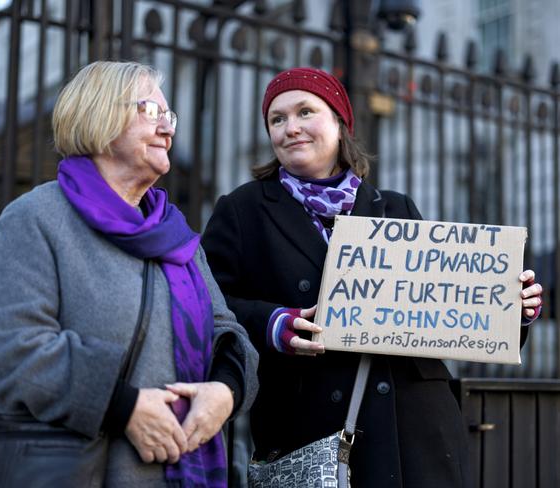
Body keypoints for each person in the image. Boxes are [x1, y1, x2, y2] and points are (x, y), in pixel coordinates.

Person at [201, 67, 543, 487]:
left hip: (417, 435)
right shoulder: (242, 210)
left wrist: (512, 309)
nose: (291, 128)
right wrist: (273, 324)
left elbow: (447, 312)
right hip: (314, 439)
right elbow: (208, 305)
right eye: (277, 119)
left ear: (340, 123)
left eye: (305, 111)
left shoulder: (395, 208)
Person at [0, 61, 258, 487]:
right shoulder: (36, 219)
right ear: (101, 116)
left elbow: (227, 332)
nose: (168, 130)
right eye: (152, 113)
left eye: (170, 117)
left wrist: (225, 391)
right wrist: (124, 408)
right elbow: (10, 349)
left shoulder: (176, 236)